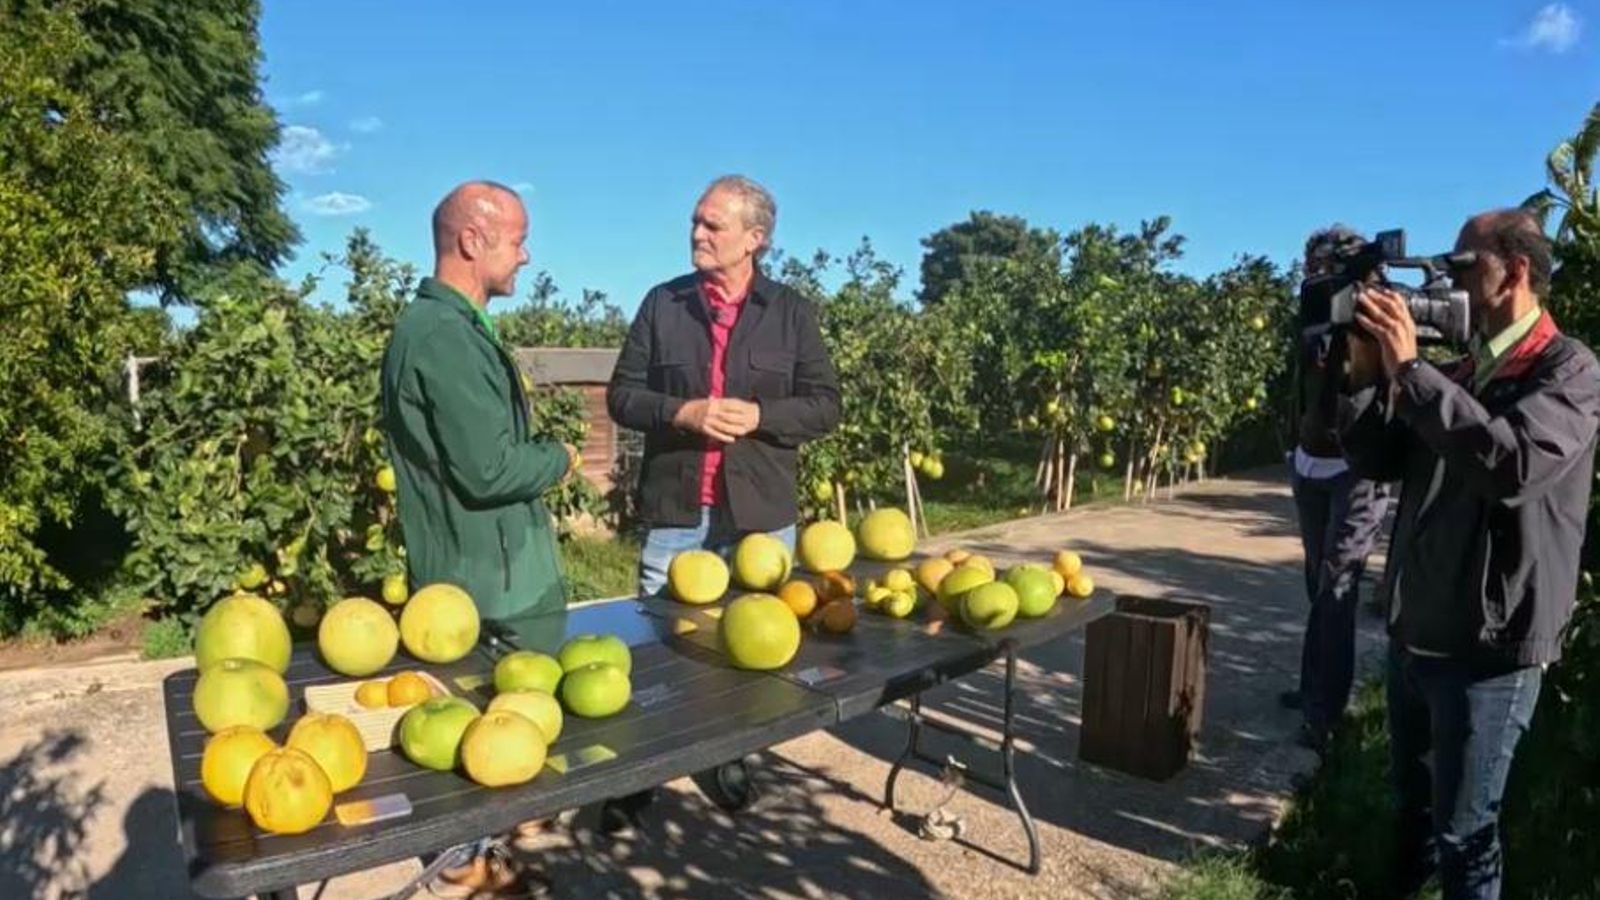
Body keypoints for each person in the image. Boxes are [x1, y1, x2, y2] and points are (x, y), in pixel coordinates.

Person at [1339, 209, 1599, 900]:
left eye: (1461, 266)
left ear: (1514, 271)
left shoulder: (1567, 370)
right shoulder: (1460, 368)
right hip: (1417, 634)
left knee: (1466, 834)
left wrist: (1413, 372)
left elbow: (1508, 465)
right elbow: (1377, 459)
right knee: (1414, 817)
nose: (1448, 280)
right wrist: (1366, 378)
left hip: (1490, 652)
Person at [603, 174, 841, 827]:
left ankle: (726, 755)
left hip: (760, 514)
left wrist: (761, 412)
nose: (698, 234)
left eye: (713, 225)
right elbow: (621, 396)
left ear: (754, 239)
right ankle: (640, 765)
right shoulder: (663, 304)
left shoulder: (790, 312)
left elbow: (826, 406)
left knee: (751, 644)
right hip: (678, 508)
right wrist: (683, 411)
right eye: (696, 222)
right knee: (657, 645)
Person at [380, 180, 576, 897]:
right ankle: (471, 873)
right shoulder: (440, 336)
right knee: (488, 737)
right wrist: (559, 458)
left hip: (487, 568)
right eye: (517, 239)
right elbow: (489, 468)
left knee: (500, 737)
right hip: (490, 582)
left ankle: (492, 857)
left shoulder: (455, 329)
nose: (526, 255)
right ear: (472, 239)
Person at [1282, 226, 1393, 752]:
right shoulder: (1311, 318)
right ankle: (1312, 689)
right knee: (1317, 583)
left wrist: (1364, 303)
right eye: (1309, 265)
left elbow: (1378, 379)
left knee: (1338, 587)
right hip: (1310, 464)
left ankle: (1325, 713)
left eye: (1324, 266)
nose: (1312, 275)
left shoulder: (1378, 318)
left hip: (1355, 471)